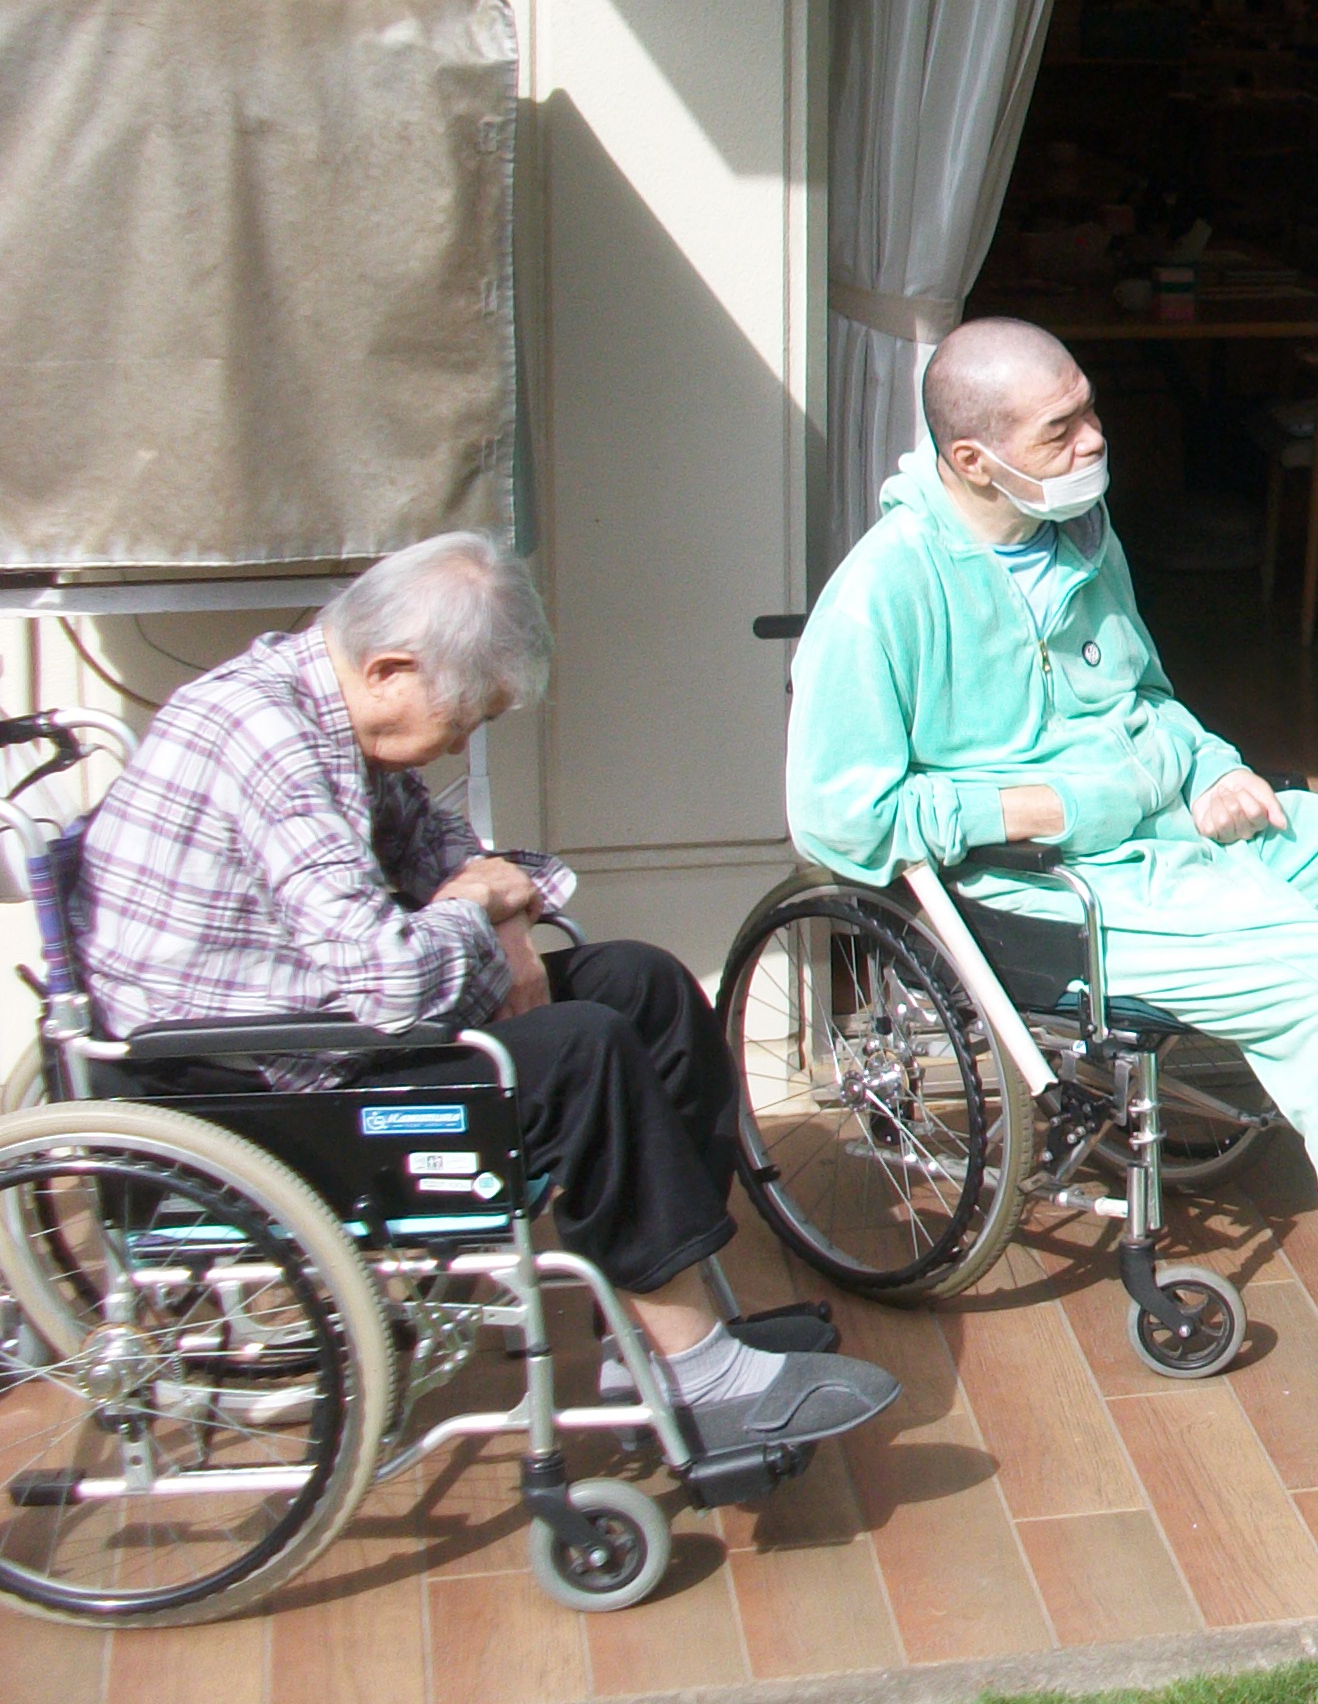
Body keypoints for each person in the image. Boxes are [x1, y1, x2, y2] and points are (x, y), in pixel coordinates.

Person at [788, 319, 1318, 1445]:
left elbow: (1146, 698)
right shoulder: (882, 594)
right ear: (973, 460)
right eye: (1061, 428)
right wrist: (1024, 808)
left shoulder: (1078, 537)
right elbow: (836, 819)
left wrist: (1214, 766)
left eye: (1089, 408)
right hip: (1053, 892)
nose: (1095, 438)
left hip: (1177, 828)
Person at [77, 535, 900, 1452]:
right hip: (248, 1089)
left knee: (649, 987)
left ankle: (649, 1337)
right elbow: (394, 981)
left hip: (322, 1024)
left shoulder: (332, 709)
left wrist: (494, 912)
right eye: (465, 718)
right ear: (390, 670)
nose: (465, 743)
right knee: (582, 1051)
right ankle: (703, 1378)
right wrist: (479, 908)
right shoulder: (268, 738)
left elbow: (455, 859)